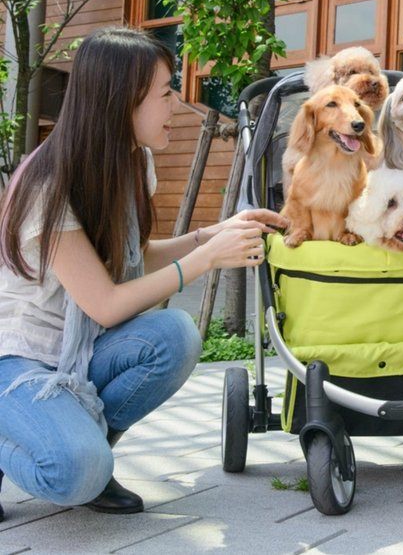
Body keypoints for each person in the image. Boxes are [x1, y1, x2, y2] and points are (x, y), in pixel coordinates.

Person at [0, 27, 287, 518]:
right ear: (121, 102)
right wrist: (206, 258)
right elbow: (105, 303)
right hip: (20, 359)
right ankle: (68, 455)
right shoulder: (48, 183)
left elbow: (135, 254)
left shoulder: (132, 162)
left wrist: (208, 235)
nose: (177, 102)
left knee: (174, 335)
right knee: (73, 474)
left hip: (81, 350)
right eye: (165, 92)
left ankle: (88, 450)